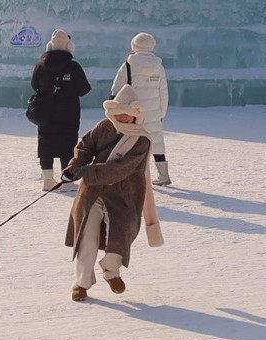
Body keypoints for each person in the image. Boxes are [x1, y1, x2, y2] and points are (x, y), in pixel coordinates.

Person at [61, 84, 164, 302]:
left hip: (123, 196)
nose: (124, 118)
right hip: (91, 193)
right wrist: (73, 167)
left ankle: (111, 270)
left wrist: (85, 172)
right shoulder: (103, 127)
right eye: (120, 113)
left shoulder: (142, 140)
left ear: (136, 115)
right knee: (86, 237)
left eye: (128, 114)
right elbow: (85, 147)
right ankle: (81, 283)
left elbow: (120, 170)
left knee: (121, 232)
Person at [31, 28, 91, 191]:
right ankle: (66, 180)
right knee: (67, 145)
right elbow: (84, 89)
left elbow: (34, 85)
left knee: (45, 144)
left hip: (46, 112)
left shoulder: (40, 65)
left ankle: (47, 179)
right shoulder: (73, 67)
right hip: (69, 113)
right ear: (68, 46)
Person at [110, 32, 171, 186]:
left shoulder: (128, 65)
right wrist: (161, 113)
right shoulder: (159, 67)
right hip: (153, 111)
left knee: (131, 141)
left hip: (133, 111)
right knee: (156, 141)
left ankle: (133, 174)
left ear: (134, 46)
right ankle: (163, 175)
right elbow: (163, 92)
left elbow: (116, 89)